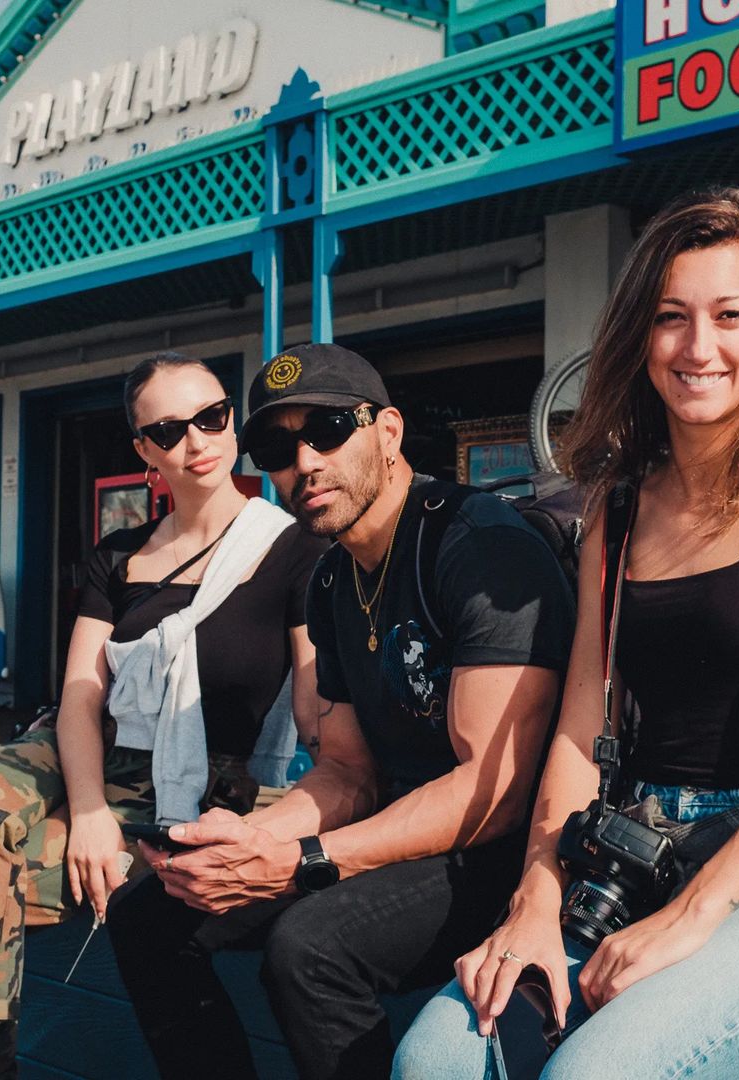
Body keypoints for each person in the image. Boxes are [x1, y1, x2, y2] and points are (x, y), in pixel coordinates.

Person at [394, 189, 739, 1080]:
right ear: (639, 335)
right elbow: (580, 731)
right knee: (436, 1060)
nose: (699, 347)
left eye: (730, 315)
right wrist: (536, 895)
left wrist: (695, 914)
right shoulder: (618, 509)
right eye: (671, 317)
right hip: (633, 849)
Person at [106, 342, 576, 1080]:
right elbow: (348, 771)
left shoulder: (477, 546)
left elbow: (493, 794)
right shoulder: (332, 579)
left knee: (309, 949)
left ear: (388, 431)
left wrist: (303, 862)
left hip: (502, 853)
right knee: (151, 911)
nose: (304, 462)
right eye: (275, 449)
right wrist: (246, 841)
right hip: (395, 828)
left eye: (327, 430)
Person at [0, 353, 326, 1080]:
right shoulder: (119, 554)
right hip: (82, 745)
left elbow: (318, 705)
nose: (196, 441)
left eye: (211, 417)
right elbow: (82, 691)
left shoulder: (294, 548)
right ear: (144, 450)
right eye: (168, 431)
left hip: (191, 778)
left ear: (232, 421)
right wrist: (87, 812)